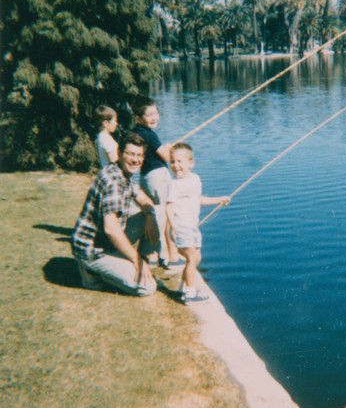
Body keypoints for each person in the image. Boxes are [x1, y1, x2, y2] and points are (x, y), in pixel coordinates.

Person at [72, 132, 159, 296]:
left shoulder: (122, 173)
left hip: (106, 243)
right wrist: (136, 259)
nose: (135, 160)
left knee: (157, 211)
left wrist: (151, 216)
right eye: (130, 154)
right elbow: (111, 229)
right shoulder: (114, 182)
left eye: (139, 155)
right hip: (93, 250)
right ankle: (92, 272)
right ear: (119, 153)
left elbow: (143, 198)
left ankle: (136, 263)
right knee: (148, 288)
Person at [166, 142, 230, 304]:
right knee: (192, 258)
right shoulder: (173, 184)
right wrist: (173, 226)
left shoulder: (195, 179)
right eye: (173, 162)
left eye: (180, 161)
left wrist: (219, 200)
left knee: (196, 258)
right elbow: (169, 207)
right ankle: (190, 293)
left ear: (190, 163)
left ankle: (183, 289)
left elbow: (198, 199)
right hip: (181, 227)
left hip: (192, 226)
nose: (175, 165)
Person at [132, 96, 179, 269]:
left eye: (156, 113)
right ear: (138, 118)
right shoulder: (150, 135)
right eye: (149, 115)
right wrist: (168, 149)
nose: (154, 117)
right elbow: (166, 157)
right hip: (157, 177)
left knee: (153, 213)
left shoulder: (136, 132)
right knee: (162, 215)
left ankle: (150, 251)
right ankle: (162, 256)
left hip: (145, 177)